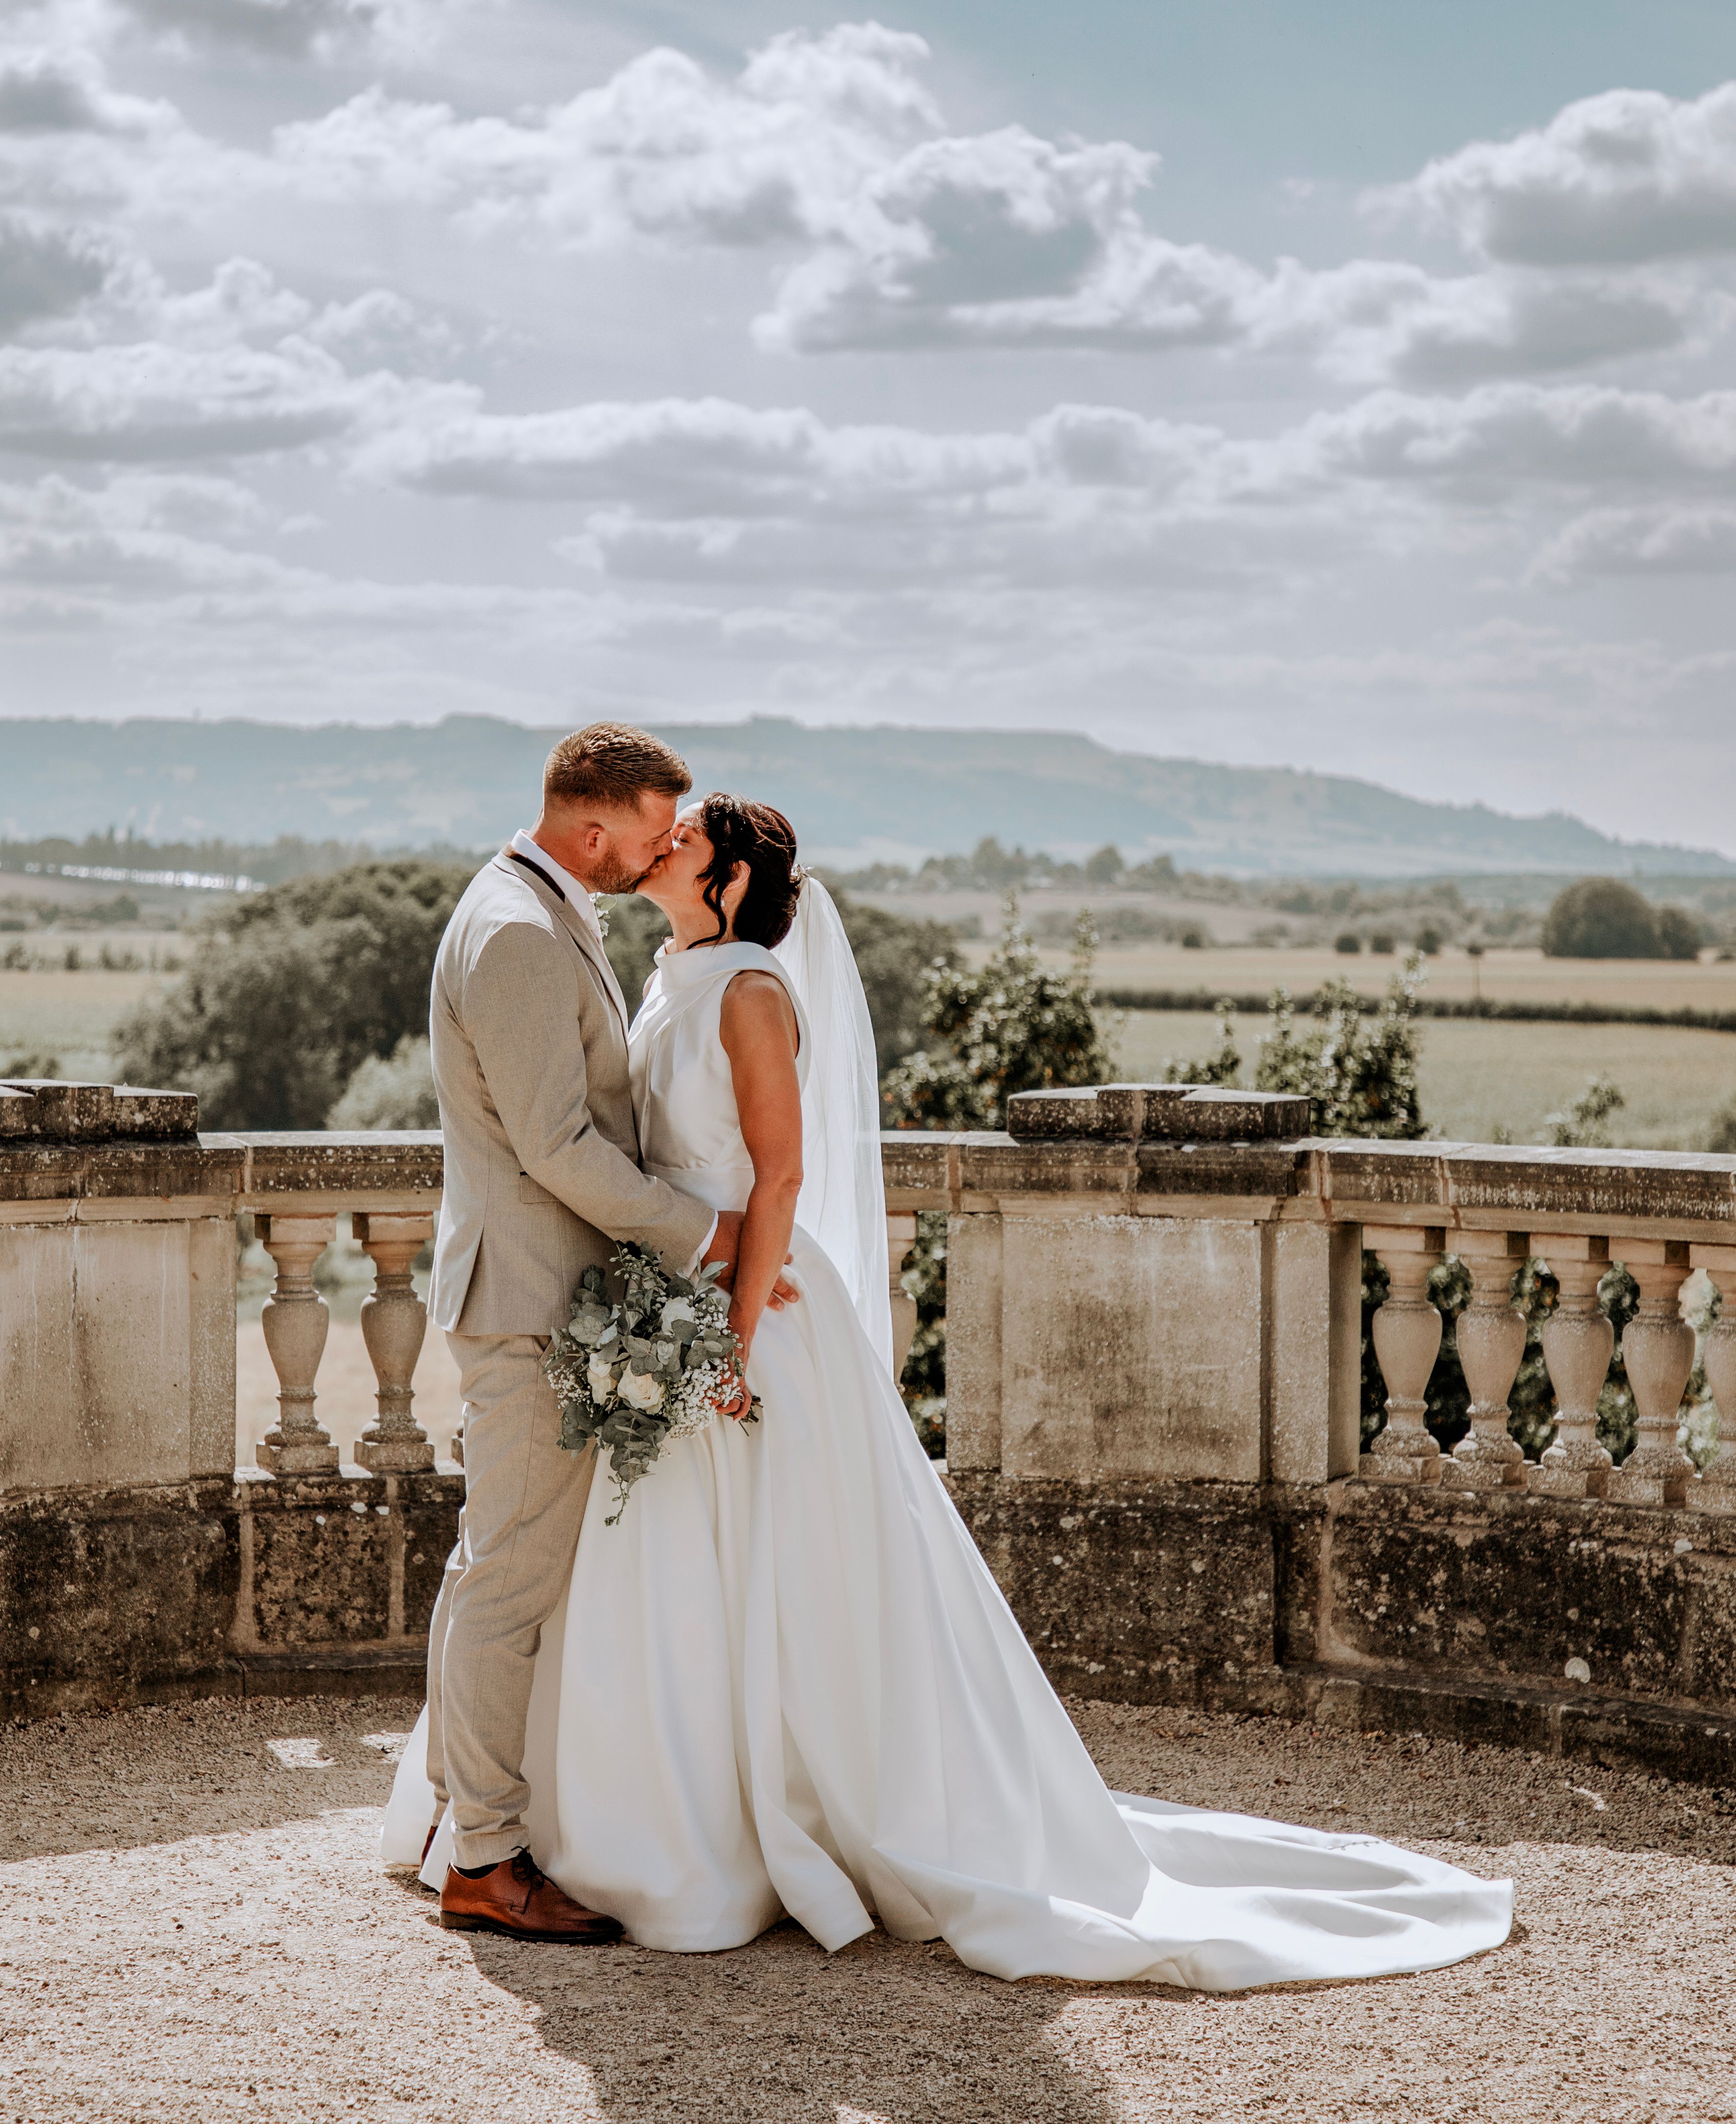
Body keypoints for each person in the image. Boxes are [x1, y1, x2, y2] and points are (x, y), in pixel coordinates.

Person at [391, 787, 1514, 1989]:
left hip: (749, 1306)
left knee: (776, 1574)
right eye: (660, 829)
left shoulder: (752, 992)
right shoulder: (664, 971)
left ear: (726, 881)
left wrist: (723, 1328)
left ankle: (763, 1820)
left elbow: (778, 1180)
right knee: (650, 1574)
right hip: (673, 1290)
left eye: (686, 836)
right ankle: (619, 1818)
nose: (663, 843)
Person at [418, 723, 793, 1946]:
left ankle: (456, 1818)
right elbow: (557, 1147)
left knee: (497, 1560)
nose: (656, 856)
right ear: (595, 829)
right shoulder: (521, 932)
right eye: (647, 834)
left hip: (548, 1293)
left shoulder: (538, 901)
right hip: (528, 1303)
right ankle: (482, 1853)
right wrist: (707, 1235)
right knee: (509, 1572)